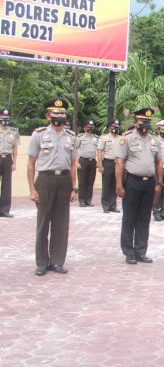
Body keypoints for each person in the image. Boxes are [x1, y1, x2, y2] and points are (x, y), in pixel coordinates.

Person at [27, 98, 78, 276]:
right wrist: (32, 189)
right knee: (43, 222)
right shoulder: (38, 135)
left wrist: (74, 188)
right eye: (56, 113)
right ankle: (41, 262)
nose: (60, 116)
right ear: (48, 115)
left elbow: (73, 165)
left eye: (63, 113)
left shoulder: (71, 136)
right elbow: (31, 164)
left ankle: (57, 261)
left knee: (61, 223)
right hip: (45, 181)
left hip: (64, 181)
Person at [116, 108, 164, 265]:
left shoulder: (154, 140)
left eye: (148, 122)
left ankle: (141, 251)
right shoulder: (127, 138)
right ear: (135, 122)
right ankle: (129, 252)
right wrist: (119, 185)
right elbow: (120, 162)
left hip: (149, 183)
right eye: (142, 121)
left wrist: (159, 182)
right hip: (132, 182)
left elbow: (158, 162)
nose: (145, 125)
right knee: (129, 218)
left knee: (144, 218)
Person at [97, 119, 121, 214]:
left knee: (115, 185)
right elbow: (99, 151)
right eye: (113, 127)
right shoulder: (104, 138)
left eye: (117, 127)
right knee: (106, 185)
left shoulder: (121, 138)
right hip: (107, 163)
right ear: (109, 128)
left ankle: (113, 205)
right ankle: (106, 206)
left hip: (117, 164)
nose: (115, 128)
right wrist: (100, 165)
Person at [0, 108, 20, 218]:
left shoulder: (14, 131)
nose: (5, 120)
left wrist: (14, 163)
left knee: (6, 186)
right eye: (3, 118)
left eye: (7, 119)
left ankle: (4, 210)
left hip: (7, 159)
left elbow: (15, 148)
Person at [76, 120, 98, 207]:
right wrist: (76, 162)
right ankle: (81, 200)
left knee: (90, 181)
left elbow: (99, 150)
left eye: (91, 127)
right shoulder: (80, 137)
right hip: (83, 161)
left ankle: (88, 200)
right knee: (82, 181)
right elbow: (75, 149)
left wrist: (98, 162)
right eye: (88, 127)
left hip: (92, 161)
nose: (90, 129)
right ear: (84, 128)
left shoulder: (96, 137)